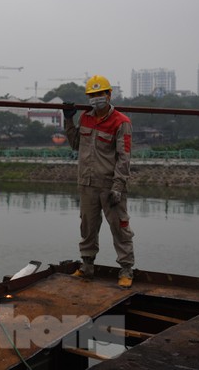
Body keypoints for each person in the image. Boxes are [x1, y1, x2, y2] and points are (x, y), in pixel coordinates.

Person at [63, 75, 135, 288]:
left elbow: (124, 157)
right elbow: (76, 144)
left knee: (120, 228)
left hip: (110, 185)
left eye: (99, 94)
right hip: (87, 183)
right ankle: (87, 266)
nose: (96, 99)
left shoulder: (121, 122)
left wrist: (118, 187)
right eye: (92, 95)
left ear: (109, 94)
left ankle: (126, 270)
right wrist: (68, 119)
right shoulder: (86, 118)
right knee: (88, 227)